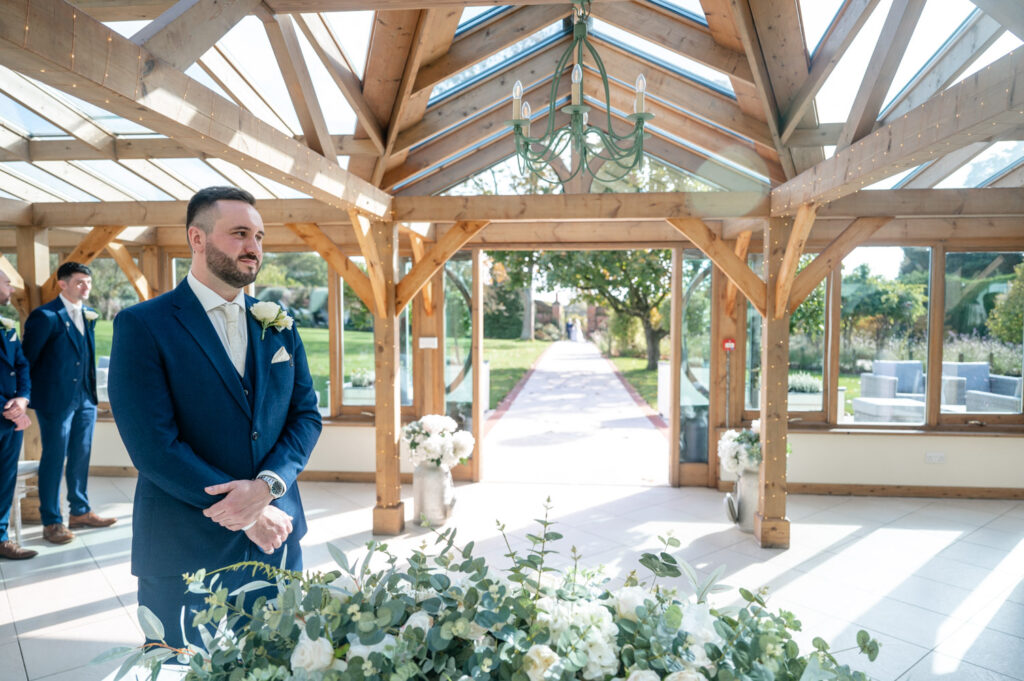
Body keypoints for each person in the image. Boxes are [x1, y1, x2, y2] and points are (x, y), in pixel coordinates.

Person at [108, 186, 322, 650]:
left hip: (277, 539)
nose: (254, 248)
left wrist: (268, 489)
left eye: (260, 236)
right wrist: (246, 515)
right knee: (179, 667)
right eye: (240, 234)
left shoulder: (279, 323)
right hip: (183, 545)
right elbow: (153, 447)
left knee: (280, 662)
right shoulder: (143, 326)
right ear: (197, 239)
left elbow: (306, 416)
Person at [22, 262, 114, 545]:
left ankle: (80, 511)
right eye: (79, 282)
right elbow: (27, 360)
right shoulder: (45, 316)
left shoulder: (86, 315)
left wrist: (90, 397)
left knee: (81, 455)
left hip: (85, 399)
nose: (85, 287)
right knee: (54, 458)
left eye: (88, 282)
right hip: (55, 401)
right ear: (62, 284)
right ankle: (51, 521)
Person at [0, 271, 35, 560]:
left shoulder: (8, 325)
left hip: (11, 422)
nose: (11, 288)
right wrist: (9, 409)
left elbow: (22, 365)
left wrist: (22, 400)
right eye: (6, 282)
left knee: (5, 479)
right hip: (7, 416)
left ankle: (1, 539)